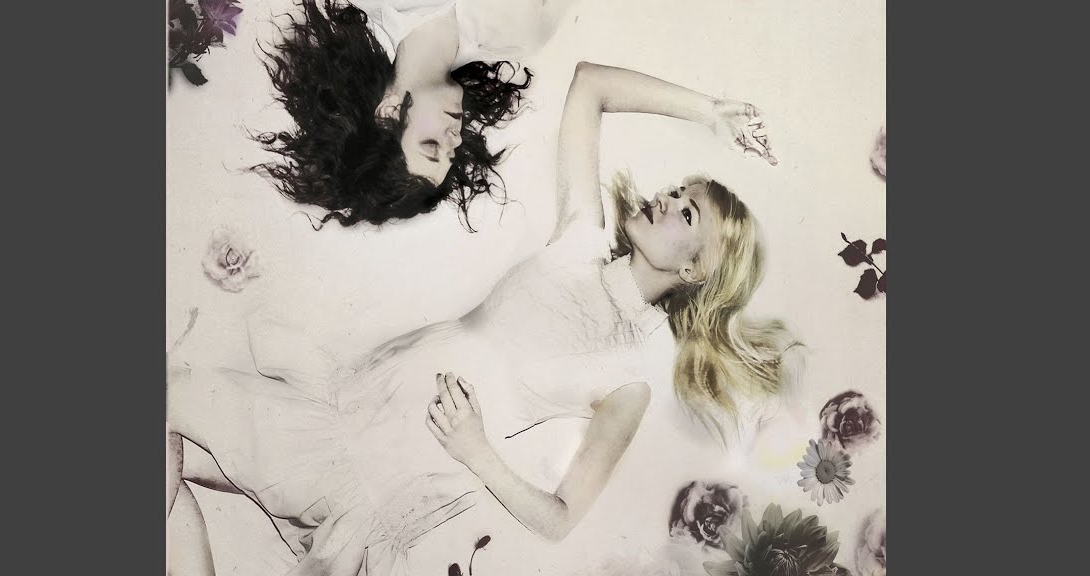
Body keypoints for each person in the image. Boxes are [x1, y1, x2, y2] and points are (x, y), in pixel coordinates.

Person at [168, 61, 791, 575]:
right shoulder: (580, 240)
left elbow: (558, 519)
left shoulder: (627, 379)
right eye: (679, 190)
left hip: (380, 480)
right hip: (338, 407)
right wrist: (710, 109)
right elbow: (590, 85)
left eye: (687, 214)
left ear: (694, 270)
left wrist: (477, 451)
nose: (668, 198)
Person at [252, 0, 617, 229]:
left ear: (388, 112)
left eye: (431, 147)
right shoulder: (517, 39)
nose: (453, 141)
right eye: (451, 155)